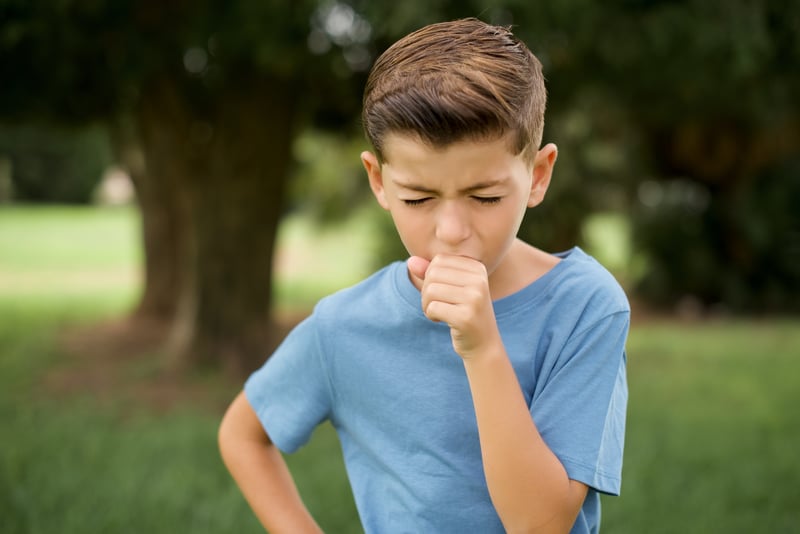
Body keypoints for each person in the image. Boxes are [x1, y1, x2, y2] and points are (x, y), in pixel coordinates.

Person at [218, 17, 629, 534]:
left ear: (538, 176)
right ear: (379, 181)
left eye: (485, 197)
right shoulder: (346, 325)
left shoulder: (585, 307)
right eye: (418, 198)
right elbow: (243, 435)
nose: (452, 231)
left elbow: (540, 525)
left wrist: (482, 348)